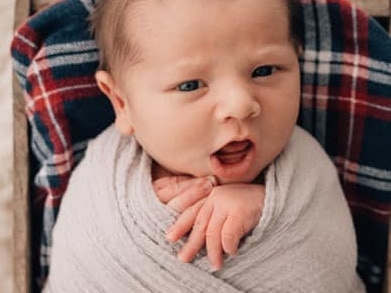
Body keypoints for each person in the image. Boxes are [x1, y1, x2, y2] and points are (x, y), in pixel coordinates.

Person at [43, 0, 365, 291]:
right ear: (121, 102)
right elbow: (81, 267)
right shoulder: (101, 185)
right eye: (191, 85)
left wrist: (265, 206)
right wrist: (150, 215)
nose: (240, 105)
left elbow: (328, 258)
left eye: (264, 71)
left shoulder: (307, 168)